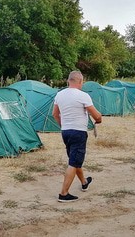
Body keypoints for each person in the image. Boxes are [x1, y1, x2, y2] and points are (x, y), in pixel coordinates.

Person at [53, 71, 102, 203]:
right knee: (74, 162)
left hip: (66, 132)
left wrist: (63, 125)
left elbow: (55, 114)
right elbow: (96, 116)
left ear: (68, 81)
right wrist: (99, 119)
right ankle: (64, 194)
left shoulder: (59, 95)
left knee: (74, 158)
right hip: (79, 132)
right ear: (80, 81)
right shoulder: (83, 96)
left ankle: (84, 182)